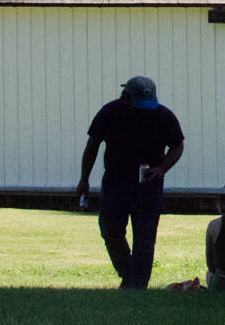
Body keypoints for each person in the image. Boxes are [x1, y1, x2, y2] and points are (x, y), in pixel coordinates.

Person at [76, 75, 185, 289]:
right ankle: (129, 275)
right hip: (115, 182)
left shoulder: (164, 116)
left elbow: (178, 146)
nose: (144, 111)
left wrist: (161, 169)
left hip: (148, 186)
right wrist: (84, 180)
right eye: (139, 107)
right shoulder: (109, 113)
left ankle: (137, 287)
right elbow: (92, 147)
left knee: (145, 238)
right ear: (126, 98)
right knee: (109, 230)